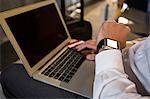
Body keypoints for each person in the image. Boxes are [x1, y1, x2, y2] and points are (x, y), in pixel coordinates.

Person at [1, 20, 150, 99]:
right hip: (115, 68)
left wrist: (108, 47)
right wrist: (117, 49)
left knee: (11, 74)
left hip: (110, 89)